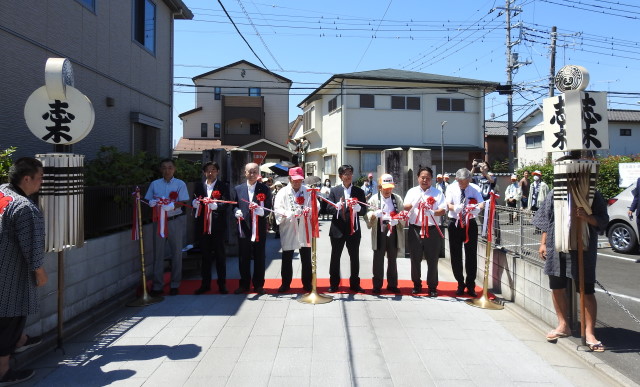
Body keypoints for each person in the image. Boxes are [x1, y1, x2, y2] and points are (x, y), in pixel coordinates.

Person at [534, 182, 608, 352]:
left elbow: (603, 219)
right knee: (557, 286)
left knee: (586, 289)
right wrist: (543, 243)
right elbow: (547, 219)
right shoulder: (555, 192)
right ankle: (563, 325)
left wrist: (586, 216)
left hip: (583, 245)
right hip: (556, 243)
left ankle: (589, 333)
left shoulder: (592, 193)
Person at [0, 157, 47, 385]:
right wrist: (39, 272)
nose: (41, 183)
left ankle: (20, 340)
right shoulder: (25, 207)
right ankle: (3, 372)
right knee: (9, 318)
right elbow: (32, 245)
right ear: (26, 178)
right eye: (39, 178)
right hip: (9, 275)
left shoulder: (2, 193)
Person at [145, 159, 190, 296]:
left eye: (170, 167)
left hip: (174, 220)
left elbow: (183, 201)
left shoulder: (180, 184)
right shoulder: (155, 184)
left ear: (174, 169)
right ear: (160, 170)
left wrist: (172, 206)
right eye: (164, 168)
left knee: (176, 253)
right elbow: (148, 199)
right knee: (158, 254)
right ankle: (157, 285)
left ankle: (175, 284)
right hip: (158, 221)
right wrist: (151, 203)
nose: (167, 170)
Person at [403, 167, 447, 296]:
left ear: (431, 179)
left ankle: (432, 287)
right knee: (415, 258)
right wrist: (415, 203)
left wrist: (432, 211)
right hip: (415, 228)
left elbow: (443, 210)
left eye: (428, 178)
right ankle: (416, 284)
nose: (425, 180)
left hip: (432, 230)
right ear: (418, 178)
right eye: (422, 177)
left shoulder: (437, 193)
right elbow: (405, 206)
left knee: (432, 259)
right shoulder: (412, 192)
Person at [231, 162, 272, 294]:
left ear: (258, 173)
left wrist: (260, 210)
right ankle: (244, 284)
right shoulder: (238, 189)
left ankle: (259, 284)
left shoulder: (264, 189)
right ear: (245, 173)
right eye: (250, 171)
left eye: (255, 171)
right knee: (243, 256)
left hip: (259, 227)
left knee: (260, 256)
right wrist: (236, 211)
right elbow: (234, 205)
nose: (252, 174)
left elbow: (268, 207)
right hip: (244, 227)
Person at [327, 165, 367, 293]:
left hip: (353, 229)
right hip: (337, 229)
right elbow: (327, 209)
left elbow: (364, 210)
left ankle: (355, 283)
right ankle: (334, 283)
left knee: (354, 257)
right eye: (345, 173)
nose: (348, 176)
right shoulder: (334, 191)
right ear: (340, 176)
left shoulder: (359, 191)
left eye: (350, 173)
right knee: (335, 257)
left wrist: (359, 209)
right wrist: (336, 207)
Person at [445, 168, 484, 297]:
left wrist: (476, 209)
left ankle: (471, 284)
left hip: (470, 223)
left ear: (469, 180)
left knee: (471, 254)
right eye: (461, 181)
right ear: (456, 179)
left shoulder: (474, 188)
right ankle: (460, 283)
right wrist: (454, 208)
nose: (463, 184)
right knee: (455, 254)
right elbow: (447, 204)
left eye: (466, 182)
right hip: (455, 222)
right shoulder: (451, 188)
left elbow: (481, 203)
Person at [192, 162, 229, 295]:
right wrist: (195, 203)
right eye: (207, 170)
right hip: (203, 226)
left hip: (217, 226)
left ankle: (222, 284)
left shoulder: (223, 186)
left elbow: (226, 203)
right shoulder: (199, 186)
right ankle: (205, 284)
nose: (210, 172)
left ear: (217, 171)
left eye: (213, 170)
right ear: (204, 172)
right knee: (205, 256)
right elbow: (195, 199)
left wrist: (216, 206)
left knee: (220, 256)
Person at [273, 167, 313, 293]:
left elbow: (315, 205)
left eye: (299, 180)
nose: (297, 182)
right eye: (294, 180)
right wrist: (288, 213)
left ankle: (307, 283)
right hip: (289, 225)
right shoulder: (283, 192)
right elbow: (277, 208)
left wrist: (309, 210)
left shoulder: (308, 191)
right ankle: (285, 283)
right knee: (287, 256)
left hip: (304, 226)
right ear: (289, 179)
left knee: (306, 257)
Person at [365, 174, 405, 294]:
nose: (388, 190)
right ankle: (377, 285)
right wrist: (373, 215)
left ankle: (392, 284)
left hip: (393, 231)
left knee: (392, 259)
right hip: (379, 231)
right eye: (385, 187)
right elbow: (367, 215)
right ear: (379, 187)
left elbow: (403, 213)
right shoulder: (373, 199)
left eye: (390, 188)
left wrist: (398, 219)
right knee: (378, 259)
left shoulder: (397, 199)